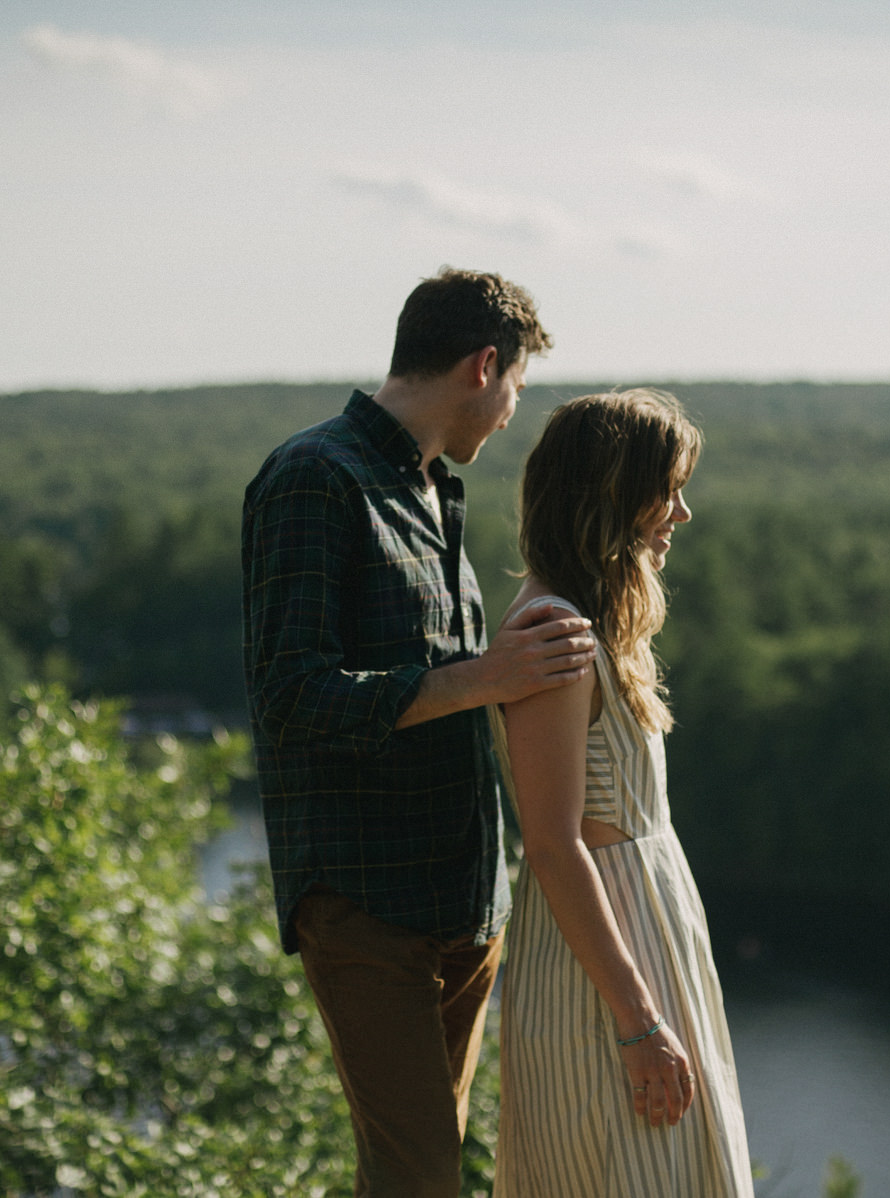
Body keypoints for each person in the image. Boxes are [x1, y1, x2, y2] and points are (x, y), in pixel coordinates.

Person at [241, 268, 596, 1197]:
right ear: (484, 366)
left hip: (461, 902)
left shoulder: (433, 491)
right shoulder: (314, 477)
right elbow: (291, 696)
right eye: (517, 387)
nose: (513, 411)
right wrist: (489, 676)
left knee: (423, 1173)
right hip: (366, 898)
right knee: (420, 1181)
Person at [494, 389, 753, 1196]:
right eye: (665, 490)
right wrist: (638, 1022)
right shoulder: (553, 631)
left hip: (648, 929)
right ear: (610, 494)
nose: (681, 512)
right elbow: (552, 842)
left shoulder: (595, 624)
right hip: (599, 965)